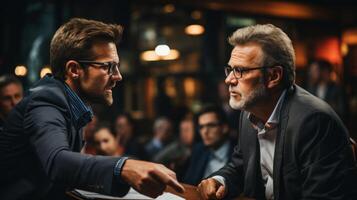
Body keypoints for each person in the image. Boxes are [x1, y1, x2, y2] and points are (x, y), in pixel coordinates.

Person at [0, 18, 184, 200]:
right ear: (74, 69)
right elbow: (58, 162)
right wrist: (124, 167)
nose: (118, 76)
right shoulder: (45, 101)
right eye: (108, 66)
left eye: (117, 66)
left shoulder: (72, 102)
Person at [198, 24, 357, 200]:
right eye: (230, 69)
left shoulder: (315, 121)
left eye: (240, 71)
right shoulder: (249, 112)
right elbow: (241, 165)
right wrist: (220, 180)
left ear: (274, 76)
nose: (229, 80)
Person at [183, 105, 235, 186]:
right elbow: (188, 183)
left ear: (224, 128)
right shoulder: (199, 150)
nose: (205, 131)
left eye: (211, 125)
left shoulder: (238, 152)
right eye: (201, 127)